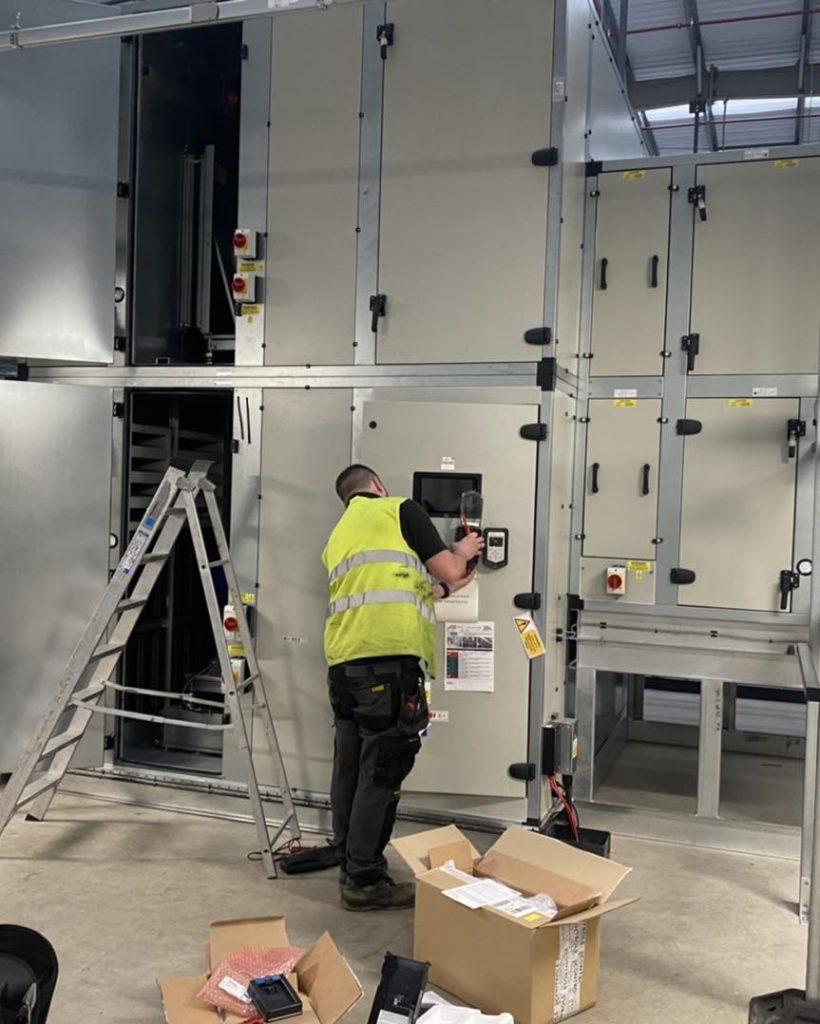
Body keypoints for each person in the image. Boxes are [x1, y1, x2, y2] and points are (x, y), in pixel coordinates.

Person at [323, 464, 483, 911]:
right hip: (388, 665)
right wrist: (463, 546)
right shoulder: (400, 510)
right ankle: (364, 880)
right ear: (378, 485)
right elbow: (451, 569)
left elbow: (392, 588)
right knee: (383, 771)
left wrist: (441, 594)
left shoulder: (340, 534)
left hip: (344, 664)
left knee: (351, 766)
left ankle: (346, 854)